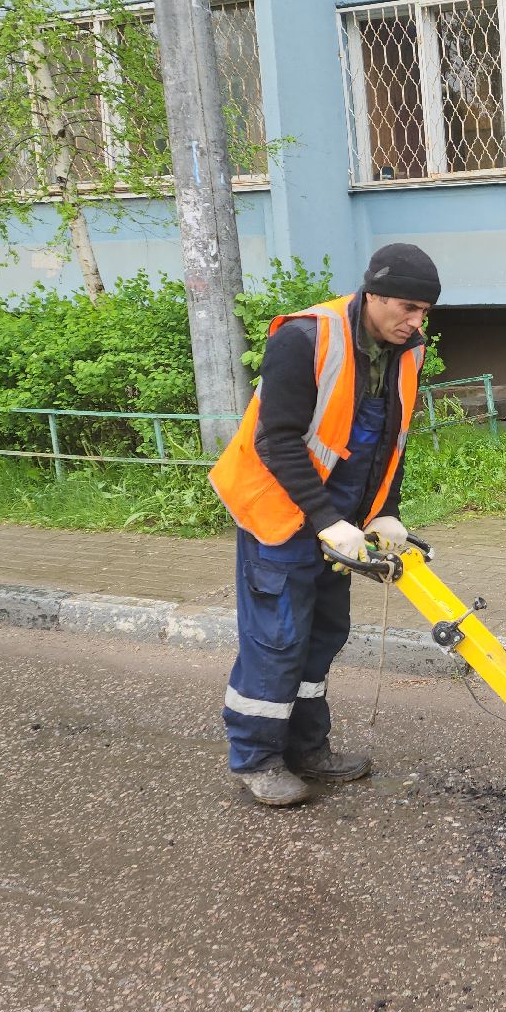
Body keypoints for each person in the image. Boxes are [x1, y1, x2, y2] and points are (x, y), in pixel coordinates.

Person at [207, 243, 439, 806]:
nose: (417, 322)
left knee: (323, 636)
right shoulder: (304, 338)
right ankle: (257, 758)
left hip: (342, 523)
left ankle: (307, 748)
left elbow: (391, 441)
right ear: (373, 294)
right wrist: (325, 518)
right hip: (281, 512)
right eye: (408, 307)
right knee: (279, 638)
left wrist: (385, 509)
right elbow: (277, 440)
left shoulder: (406, 352)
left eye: (425, 312)